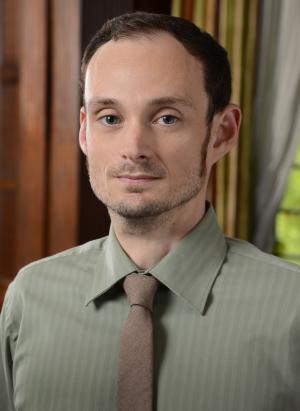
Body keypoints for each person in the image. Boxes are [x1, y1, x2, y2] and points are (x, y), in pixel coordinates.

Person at [1, 11, 299, 411]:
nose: (134, 147)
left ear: (222, 132)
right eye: (111, 118)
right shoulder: (29, 298)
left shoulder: (292, 308)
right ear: (85, 131)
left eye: (166, 118)